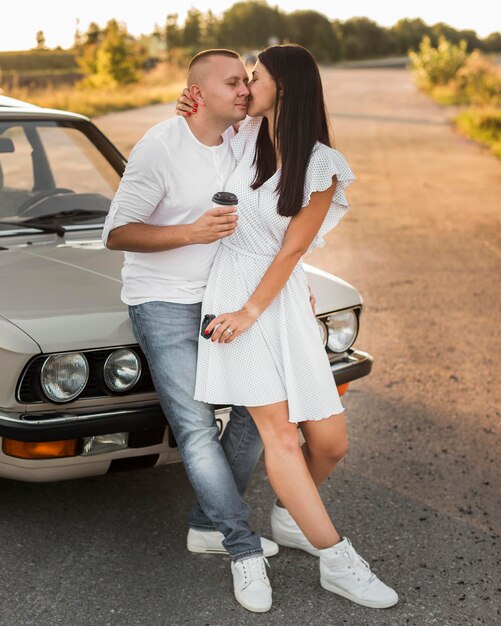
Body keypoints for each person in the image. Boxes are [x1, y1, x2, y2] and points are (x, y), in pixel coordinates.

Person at [180, 44, 399, 610]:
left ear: (287, 87)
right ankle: (338, 561)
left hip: (278, 300)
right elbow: (199, 125)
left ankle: (290, 515)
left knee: (330, 442)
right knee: (279, 435)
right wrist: (192, 102)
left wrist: (258, 310)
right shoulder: (241, 137)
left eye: (257, 77)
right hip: (234, 292)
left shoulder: (322, 164)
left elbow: (291, 251)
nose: (247, 85)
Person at [102, 49, 280, 614]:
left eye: (247, 83)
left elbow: (285, 111)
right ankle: (241, 547)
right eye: (234, 83)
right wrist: (191, 233)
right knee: (196, 428)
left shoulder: (240, 134)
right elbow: (116, 233)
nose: (245, 91)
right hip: (162, 302)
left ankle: (207, 523)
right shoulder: (160, 145)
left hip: (222, 298)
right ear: (199, 93)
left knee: (259, 406)